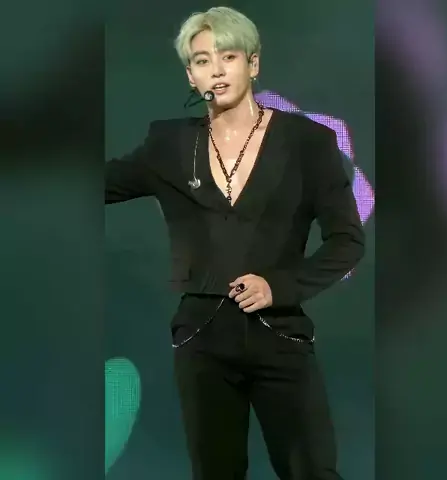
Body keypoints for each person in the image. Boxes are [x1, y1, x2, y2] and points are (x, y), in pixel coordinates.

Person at [105, 6, 365, 480]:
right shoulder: (169, 144)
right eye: (202, 60)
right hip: (201, 335)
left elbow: (347, 241)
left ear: (253, 62)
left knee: (312, 470)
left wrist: (278, 286)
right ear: (190, 74)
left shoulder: (308, 142)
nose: (217, 70)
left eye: (228, 56)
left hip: (279, 331)